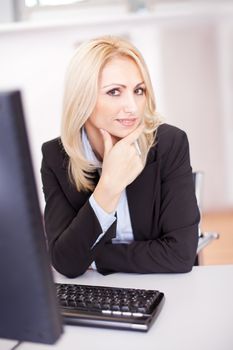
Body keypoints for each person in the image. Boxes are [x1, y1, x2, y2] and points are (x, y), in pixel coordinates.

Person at [41, 36, 200, 278]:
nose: (133, 107)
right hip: (98, 294)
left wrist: (93, 257)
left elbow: (180, 254)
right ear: (83, 98)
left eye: (139, 90)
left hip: (168, 288)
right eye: (114, 92)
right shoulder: (56, 157)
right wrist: (108, 187)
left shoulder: (169, 143)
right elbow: (65, 263)